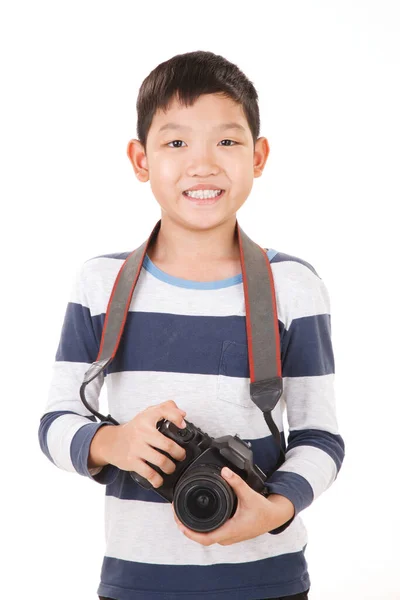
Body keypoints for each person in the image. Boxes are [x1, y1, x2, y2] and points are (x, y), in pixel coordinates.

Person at [38, 50, 345, 600]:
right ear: (140, 160)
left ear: (259, 155)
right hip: (137, 581)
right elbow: (55, 422)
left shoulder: (290, 285)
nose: (202, 164)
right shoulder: (100, 283)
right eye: (176, 143)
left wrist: (273, 509)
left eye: (226, 141)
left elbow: (321, 438)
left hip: (267, 579)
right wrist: (115, 442)